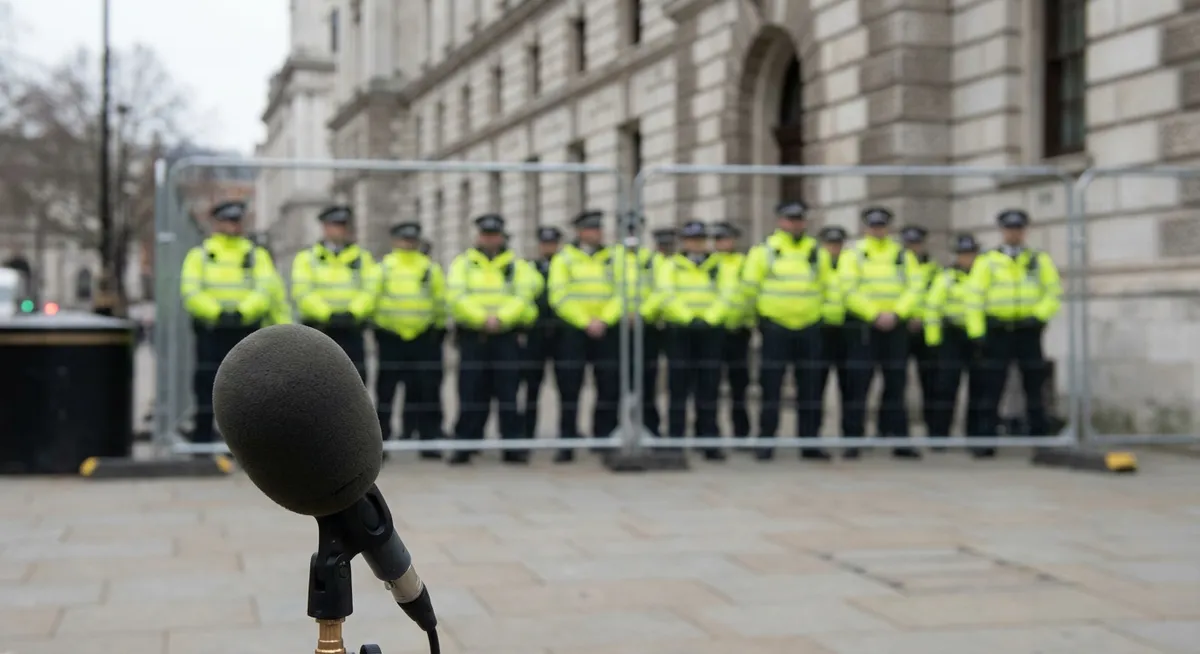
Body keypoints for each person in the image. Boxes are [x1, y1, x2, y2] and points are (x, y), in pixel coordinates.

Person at [547, 210, 661, 462]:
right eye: (590, 229)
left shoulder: (615, 257)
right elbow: (559, 295)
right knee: (569, 387)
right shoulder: (564, 259)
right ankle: (566, 441)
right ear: (579, 232)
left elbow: (624, 291)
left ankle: (603, 437)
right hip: (573, 331)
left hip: (607, 330)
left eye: (598, 228)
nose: (595, 233)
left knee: (608, 387)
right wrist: (585, 321)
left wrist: (605, 319)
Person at [737, 201, 839, 461]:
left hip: (810, 328)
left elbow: (831, 288)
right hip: (775, 328)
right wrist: (754, 321)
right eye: (789, 219)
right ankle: (766, 441)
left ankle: (810, 442)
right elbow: (749, 288)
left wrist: (825, 320)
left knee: (812, 389)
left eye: (798, 219)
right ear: (779, 221)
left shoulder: (817, 252)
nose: (794, 224)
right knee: (770, 388)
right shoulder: (764, 251)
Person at [179, 200, 279, 451]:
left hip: (245, 330)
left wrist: (243, 312)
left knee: (248, 389)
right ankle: (202, 440)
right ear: (216, 222)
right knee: (206, 385)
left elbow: (265, 289)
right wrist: (217, 313)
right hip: (211, 330)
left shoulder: (257, 254)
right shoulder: (199, 254)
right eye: (227, 220)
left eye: (236, 220)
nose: (232, 225)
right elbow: (190, 291)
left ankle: (247, 445)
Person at [966, 209, 1062, 457]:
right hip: (998, 329)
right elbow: (974, 297)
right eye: (1009, 229)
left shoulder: (1039, 260)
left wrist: (1039, 316)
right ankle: (986, 441)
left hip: (1028, 330)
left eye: (1018, 229)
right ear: (1002, 231)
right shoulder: (987, 260)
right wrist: (977, 332)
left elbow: (1053, 292)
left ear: (1024, 231)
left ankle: (1040, 439)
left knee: (1034, 386)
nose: (1014, 233)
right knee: (992, 387)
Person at [446, 214, 541, 465]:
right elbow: (456, 297)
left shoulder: (517, 266)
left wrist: (500, 319)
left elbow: (523, 297)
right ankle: (465, 445)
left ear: (501, 236)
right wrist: (482, 319)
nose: (490, 239)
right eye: (486, 235)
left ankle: (512, 446)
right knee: (470, 394)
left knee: (508, 394)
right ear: (478, 236)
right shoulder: (463, 263)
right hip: (474, 338)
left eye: (494, 235)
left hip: (505, 338)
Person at [839, 207, 926, 460]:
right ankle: (852, 440)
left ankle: (899, 439)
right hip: (865, 327)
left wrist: (897, 313)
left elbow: (915, 287)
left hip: (895, 327)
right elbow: (848, 289)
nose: (877, 230)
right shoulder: (853, 255)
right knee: (859, 386)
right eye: (873, 226)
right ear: (865, 228)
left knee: (897, 385)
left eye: (881, 226)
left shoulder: (902, 255)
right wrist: (873, 314)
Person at [656, 221, 735, 459]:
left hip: (710, 332)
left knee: (709, 389)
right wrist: (688, 318)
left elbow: (727, 293)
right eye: (691, 239)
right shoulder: (671, 265)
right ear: (683, 241)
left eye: (700, 239)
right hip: (680, 331)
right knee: (678, 389)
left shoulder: (719, 265)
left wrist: (709, 318)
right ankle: (675, 441)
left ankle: (709, 440)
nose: (696, 244)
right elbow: (666, 294)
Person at [374, 222, 446, 460]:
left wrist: (439, 328)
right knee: (386, 393)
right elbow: (373, 298)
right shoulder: (384, 268)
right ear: (395, 240)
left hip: (422, 339)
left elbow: (439, 301)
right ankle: (380, 443)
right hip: (391, 338)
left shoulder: (429, 268)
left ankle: (428, 441)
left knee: (425, 392)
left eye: (411, 240)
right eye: (403, 239)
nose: (407, 244)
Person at [290, 205, 379, 381]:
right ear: (324, 227)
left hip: (352, 329)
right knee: (316, 384)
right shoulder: (307, 258)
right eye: (335, 224)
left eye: (343, 225)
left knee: (354, 385)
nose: (340, 229)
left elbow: (370, 290)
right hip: (319, 330)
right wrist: (327, 314)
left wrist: (353, 312)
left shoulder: (363, 258)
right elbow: (302, 292)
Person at [924, 233, 984, 450]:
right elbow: (933, 308)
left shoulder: (983, 275)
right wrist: (933, 341)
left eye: (970, 254)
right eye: (962, 254)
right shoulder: (946, 276)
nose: (966, 258)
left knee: (979, 389)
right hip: (951, 336)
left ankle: (975, 438)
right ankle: (939, 437)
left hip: (977, 336)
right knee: (946, 388)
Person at [711, 221, 751, 441]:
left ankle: (741, 432)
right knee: (712, 384)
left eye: (726, 238)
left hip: (739, 330)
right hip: (714, 331)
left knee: (740, 386)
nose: (723, 243)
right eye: (719, 239)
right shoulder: (709, 263)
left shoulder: (744, 262)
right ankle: (712, 431)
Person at [522, 226, 562, 439]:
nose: (549, 248)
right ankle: (527, 432)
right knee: (531, 387)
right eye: (545, 244)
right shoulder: (530, 268)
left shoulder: (565, 267)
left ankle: (567, 434)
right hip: (535, 334)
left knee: (566, 387)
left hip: (560, 334)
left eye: (552, 244)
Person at [900, 225, 940, 438]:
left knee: (932, 383)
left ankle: (933, 430)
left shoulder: (934, 270)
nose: (913, 247)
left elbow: (937, 299)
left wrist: (922, 318)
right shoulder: (899, 267)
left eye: (916, 243)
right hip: (902, 327)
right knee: (897, 382)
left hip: (927, 330)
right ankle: (892, 430)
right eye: (909, 243)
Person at [816, 225, 850, 433]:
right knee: (815, 385)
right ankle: (814, 435)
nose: (833, 248)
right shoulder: (814, 263)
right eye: (829, 244)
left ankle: (850, 437)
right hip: (820, 329)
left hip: (847, 329)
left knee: (850, 386)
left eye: (837, 244)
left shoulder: (851, 263)